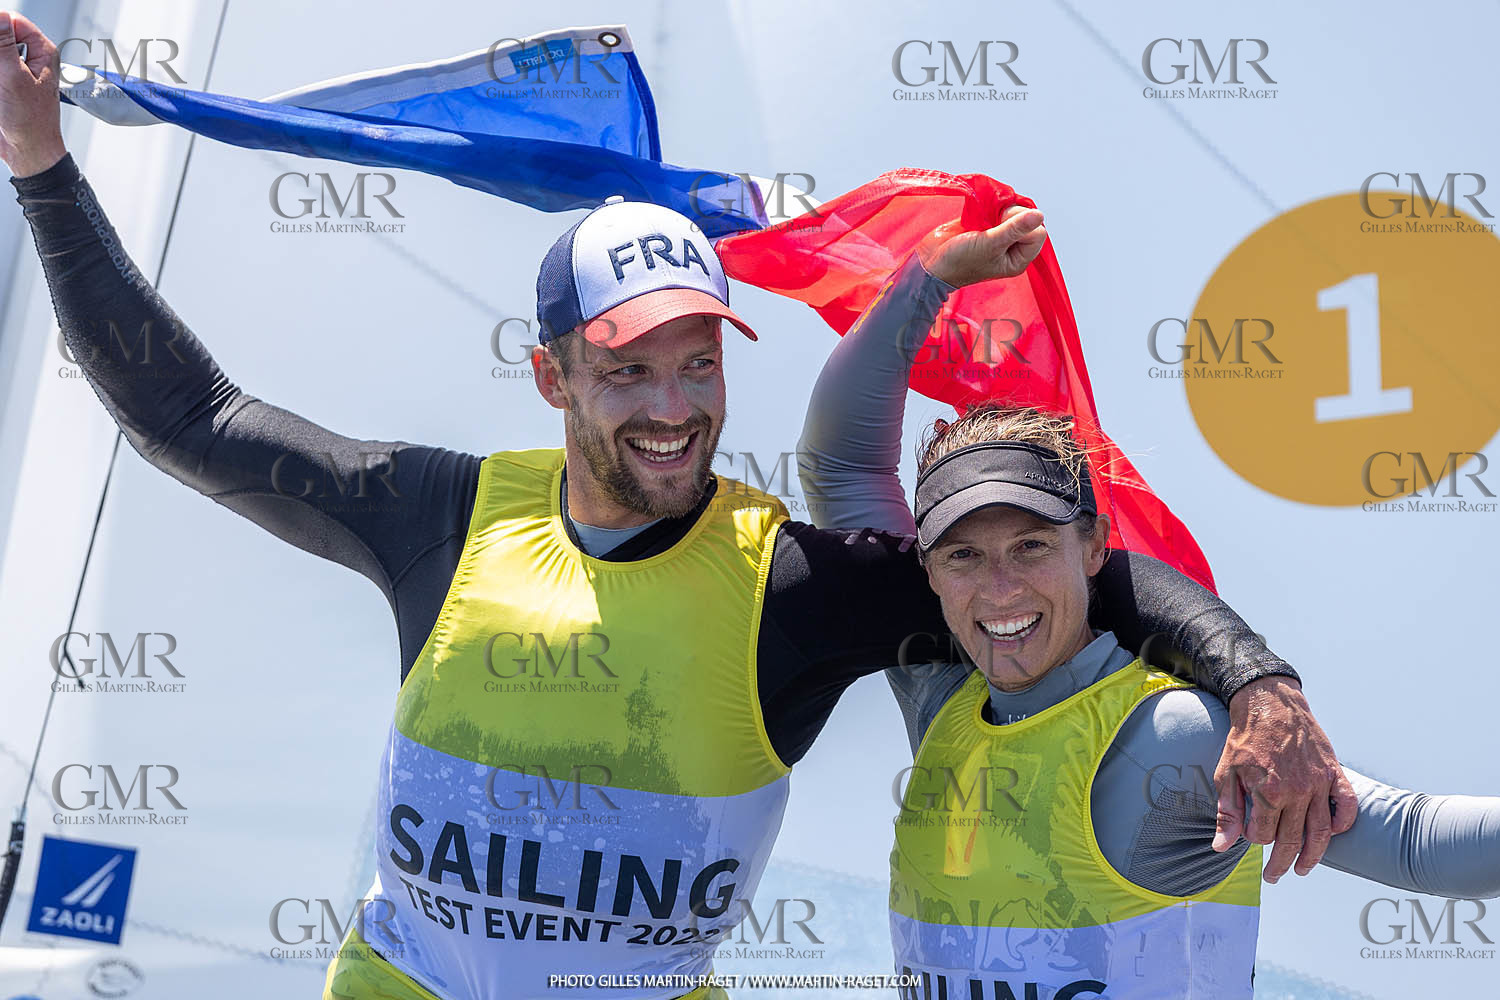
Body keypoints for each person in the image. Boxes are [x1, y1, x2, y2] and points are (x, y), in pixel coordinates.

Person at [1, 13, 1353, 999]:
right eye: (629, 368)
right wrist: (42, 164)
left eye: (699, 362)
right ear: (552, 375)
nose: (674, 404)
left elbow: (1068, 576)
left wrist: (1261, 684)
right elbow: (193, 418)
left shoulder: (800, 588)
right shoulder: (440, 516)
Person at [796, 221, 1500, 998]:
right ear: (927, 569)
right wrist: (927, 273)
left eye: (1031, 547)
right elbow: (838, 464)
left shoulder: (1174, 735)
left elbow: (1419, 846)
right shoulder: (940, 698)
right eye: (964, 555)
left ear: (1094, 545)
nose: (999, 589)